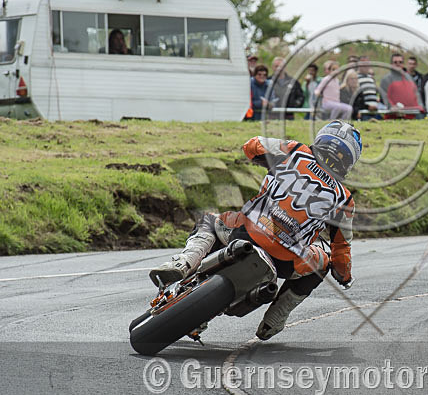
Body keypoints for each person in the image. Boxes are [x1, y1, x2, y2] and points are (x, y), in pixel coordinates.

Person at [149, 121, 361, 341]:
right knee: (324, 261)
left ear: (322, 139)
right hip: (288, 261)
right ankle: (276, 317)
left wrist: (265, 155)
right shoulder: (344, 198)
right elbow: (341, 249)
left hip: (248, 232)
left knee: (210, 221)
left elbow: (252, 145)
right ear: (350, 160)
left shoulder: (295, 150)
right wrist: (344, 276)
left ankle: (182, 263)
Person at [380, 53, 424, 118]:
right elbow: (384, 96)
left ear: (403, 64)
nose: (398, 64)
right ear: (391, 64)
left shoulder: (409, 78)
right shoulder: (386, 80)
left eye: (400, 62)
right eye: (395, 62)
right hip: (393, 116)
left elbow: (416, 94)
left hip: (411, 115)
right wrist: (391, 107)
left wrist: (420, 107)